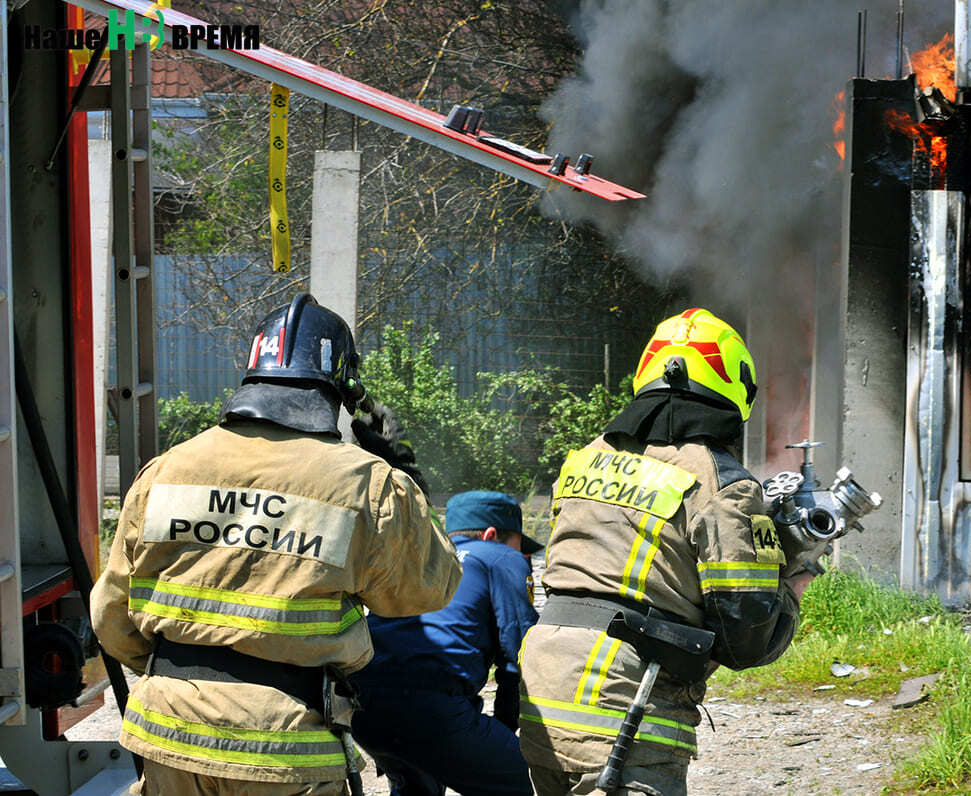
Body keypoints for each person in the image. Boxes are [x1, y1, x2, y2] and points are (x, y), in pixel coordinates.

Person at [90, 293, 462, 796]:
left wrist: (186, 682)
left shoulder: (167, 469)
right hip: (284, 750)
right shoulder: (367, 483)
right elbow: (427, 590)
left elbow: (112, 616)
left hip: (170, 736)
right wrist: (403, 473)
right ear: (346, 387)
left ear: (251, 373)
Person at [518, 308, 814, 796]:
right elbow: (746, 637)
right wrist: (792, 580)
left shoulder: (585, 459)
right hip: (622, 703)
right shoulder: (721, 483)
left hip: (545, 688)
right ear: (733, 386)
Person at [351, 490, 543, 796]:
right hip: (430, 707)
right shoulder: (499, 556)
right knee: (531, 780)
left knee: (418, 784)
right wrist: (505, 727)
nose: (524, 556)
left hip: (361, 707)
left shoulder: (414, 557)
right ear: (491, 534)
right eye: (520, 545)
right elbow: (519, 649)